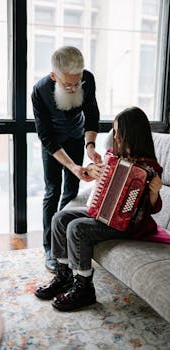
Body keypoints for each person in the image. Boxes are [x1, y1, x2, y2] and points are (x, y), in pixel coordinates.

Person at [34, 106, 164, 311]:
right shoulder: (112, 156)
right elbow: (96, 178)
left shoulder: (150, 169)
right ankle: (64, 275)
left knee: (77, 228)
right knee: (59, 218)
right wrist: (92, 171)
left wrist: (155, 193)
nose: (116, 141)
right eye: (115, 134)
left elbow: (154, 208)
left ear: (134, 136)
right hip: (102, 213)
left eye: (120, 135)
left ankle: (84, 288)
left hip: (129, 225)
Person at [31, 46, 101, 273]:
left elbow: (92, 115)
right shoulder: (39, 91)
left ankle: (64, 243)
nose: (73, 88)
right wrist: (71, 165)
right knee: (53, 191)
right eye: (67, 84)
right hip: (53, 145)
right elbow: (46, 138)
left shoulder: (87, 79)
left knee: (71, 193)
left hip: (76, 137)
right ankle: (50, 248)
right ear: (54, 76)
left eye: (77, 82)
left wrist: (90, 147)